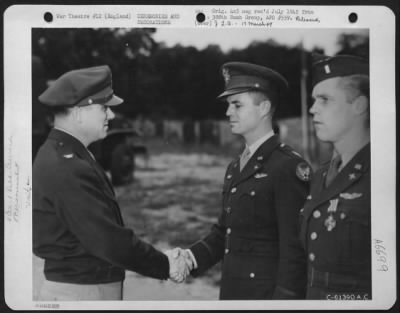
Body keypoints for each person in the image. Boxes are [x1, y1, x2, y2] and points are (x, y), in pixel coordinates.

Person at [33, 65, 186, 301]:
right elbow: (108, 241)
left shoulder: (67, 153)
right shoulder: (67, 165)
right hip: (82, 293)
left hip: (83, 288)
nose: (111, 115)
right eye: (104, 107)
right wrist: (165, 264)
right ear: (78, 112)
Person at [171, 62, 311, 299]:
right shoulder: (235, 166)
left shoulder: (287, 166)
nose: (228, 113)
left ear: (264, 107)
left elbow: (294, 250)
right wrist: (190, 258)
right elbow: (225, 232)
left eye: (237, 105)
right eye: (228, 105)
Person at [299, 55, 371, 299]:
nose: (312, 109)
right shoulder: (320, 176)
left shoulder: (381, 174)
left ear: (359, 106)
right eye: (313, 100)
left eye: (325, 100)